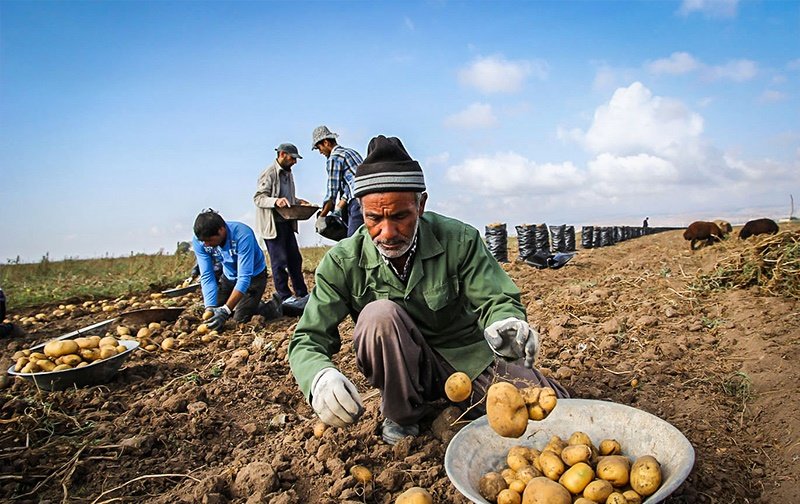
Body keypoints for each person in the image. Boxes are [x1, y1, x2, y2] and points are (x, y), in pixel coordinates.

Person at [288, 135, 568, 445]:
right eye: (374, 218)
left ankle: (460, 403)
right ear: (360, 210)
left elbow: (496, 298)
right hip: (400, 370)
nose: (388, 232)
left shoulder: (459, 239)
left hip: (465, 359)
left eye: (400, 216)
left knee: (552, 410)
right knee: (379, 315)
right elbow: (308, 338)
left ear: (421, 205)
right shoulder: (342, 262)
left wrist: (505, 322)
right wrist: (318, 377)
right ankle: (403, 414)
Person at [192, 209, 273, 330]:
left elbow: (244, 278)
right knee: (213, 315)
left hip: (253, 277)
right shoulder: (201, 241)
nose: (206, 245)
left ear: (221, 230)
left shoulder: (242, 234)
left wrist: (225, 310)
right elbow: (207, 275)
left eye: (209, 240)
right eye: (203, 241)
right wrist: (210, 307)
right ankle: (248, 302)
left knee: (238, 320)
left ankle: (269, 307)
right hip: (229, 276)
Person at [253, 143, 310, 311]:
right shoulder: (269, 173)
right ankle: (285, 297)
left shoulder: (288, 174)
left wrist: (298, 202)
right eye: (292, 158)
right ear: (283, 154)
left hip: (286, 222)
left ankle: (302, 293)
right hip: (273, 225)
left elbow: (287, 199)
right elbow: (259, 198)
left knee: (295, 259)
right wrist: (275, 201)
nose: (295, 162)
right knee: (279, 262)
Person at [311, 125, 365, 237]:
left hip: (357, 202)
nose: (320, 152)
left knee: (353, 242)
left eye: (319, 148)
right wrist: (339, 208)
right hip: (369, 198)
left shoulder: (334, 158)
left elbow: (332, 193)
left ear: (326, 142)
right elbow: (352, 184)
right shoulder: (351, 152)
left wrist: (322, 217)